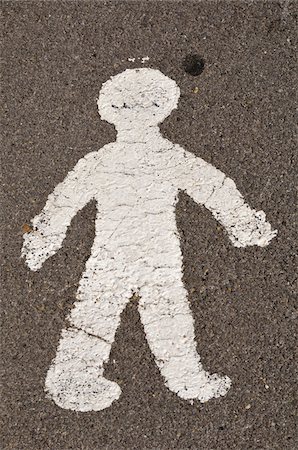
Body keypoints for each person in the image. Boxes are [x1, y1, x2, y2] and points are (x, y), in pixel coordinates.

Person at [22, 68, 277, 411]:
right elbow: (214, 188)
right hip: (150, 255)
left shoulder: (103, 160)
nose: (138, 112)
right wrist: (245, 225)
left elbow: (63, 203)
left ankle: (80, 379)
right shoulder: (165, 157)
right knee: (161, 315)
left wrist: (42, 241)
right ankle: (184, 379)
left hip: (123, 255)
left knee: (108, 313)